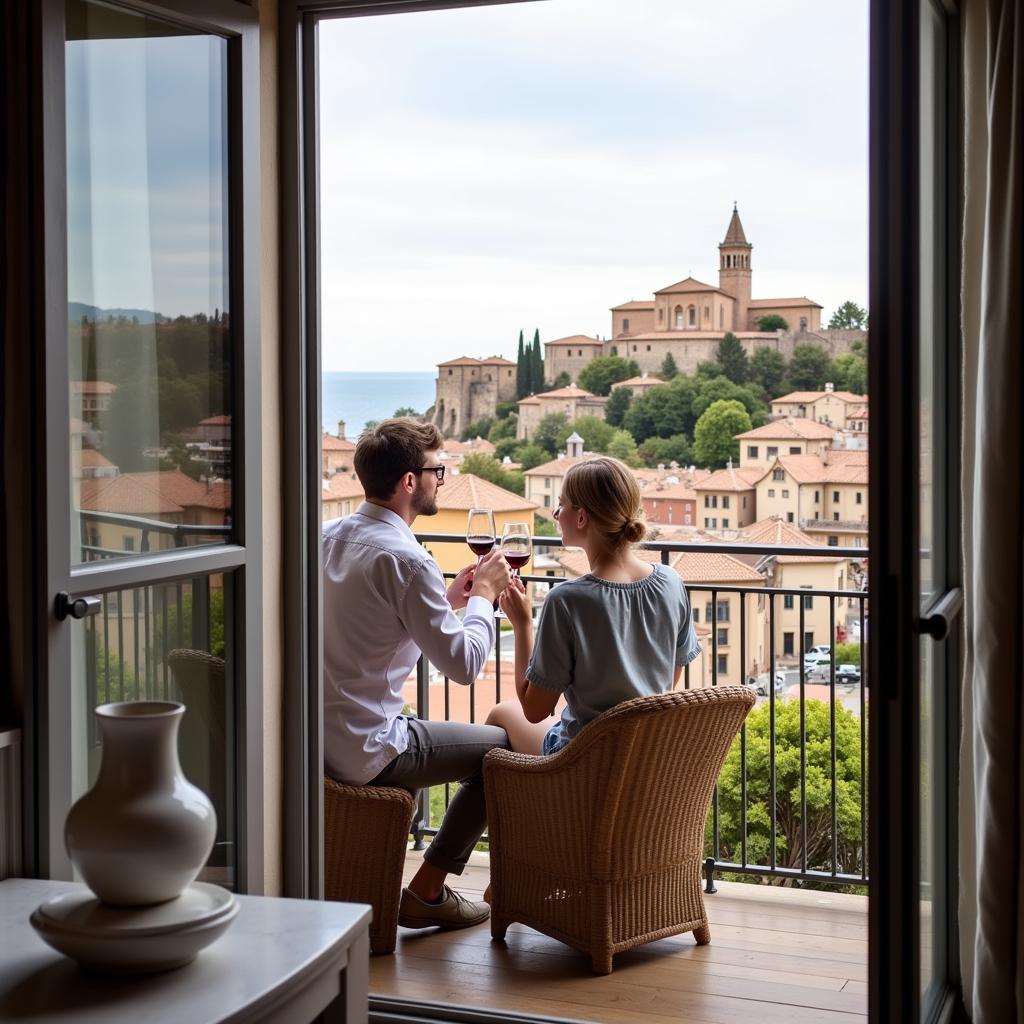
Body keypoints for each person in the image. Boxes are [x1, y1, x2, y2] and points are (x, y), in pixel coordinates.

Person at [323, 419, 513, 931]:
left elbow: (372, 626)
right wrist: (484, 600)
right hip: (367, 748)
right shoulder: (408, 560)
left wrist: (449, 601)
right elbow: (465, 666)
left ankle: (423, 886)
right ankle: (427, 891)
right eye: (438, 470)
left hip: (313, 735)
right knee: (503, 750)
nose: (442, 480)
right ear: (410, 481)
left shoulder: (326, 537)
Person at [486, 456, 701, 756]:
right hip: (646, 758)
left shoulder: (567, 601)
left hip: (582, 764)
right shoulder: (671, 581)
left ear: (582, 517)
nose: (555, 513)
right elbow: (668, 679)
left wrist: (522, 624)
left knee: (499, 717)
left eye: (560, 505)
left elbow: (534, 710)